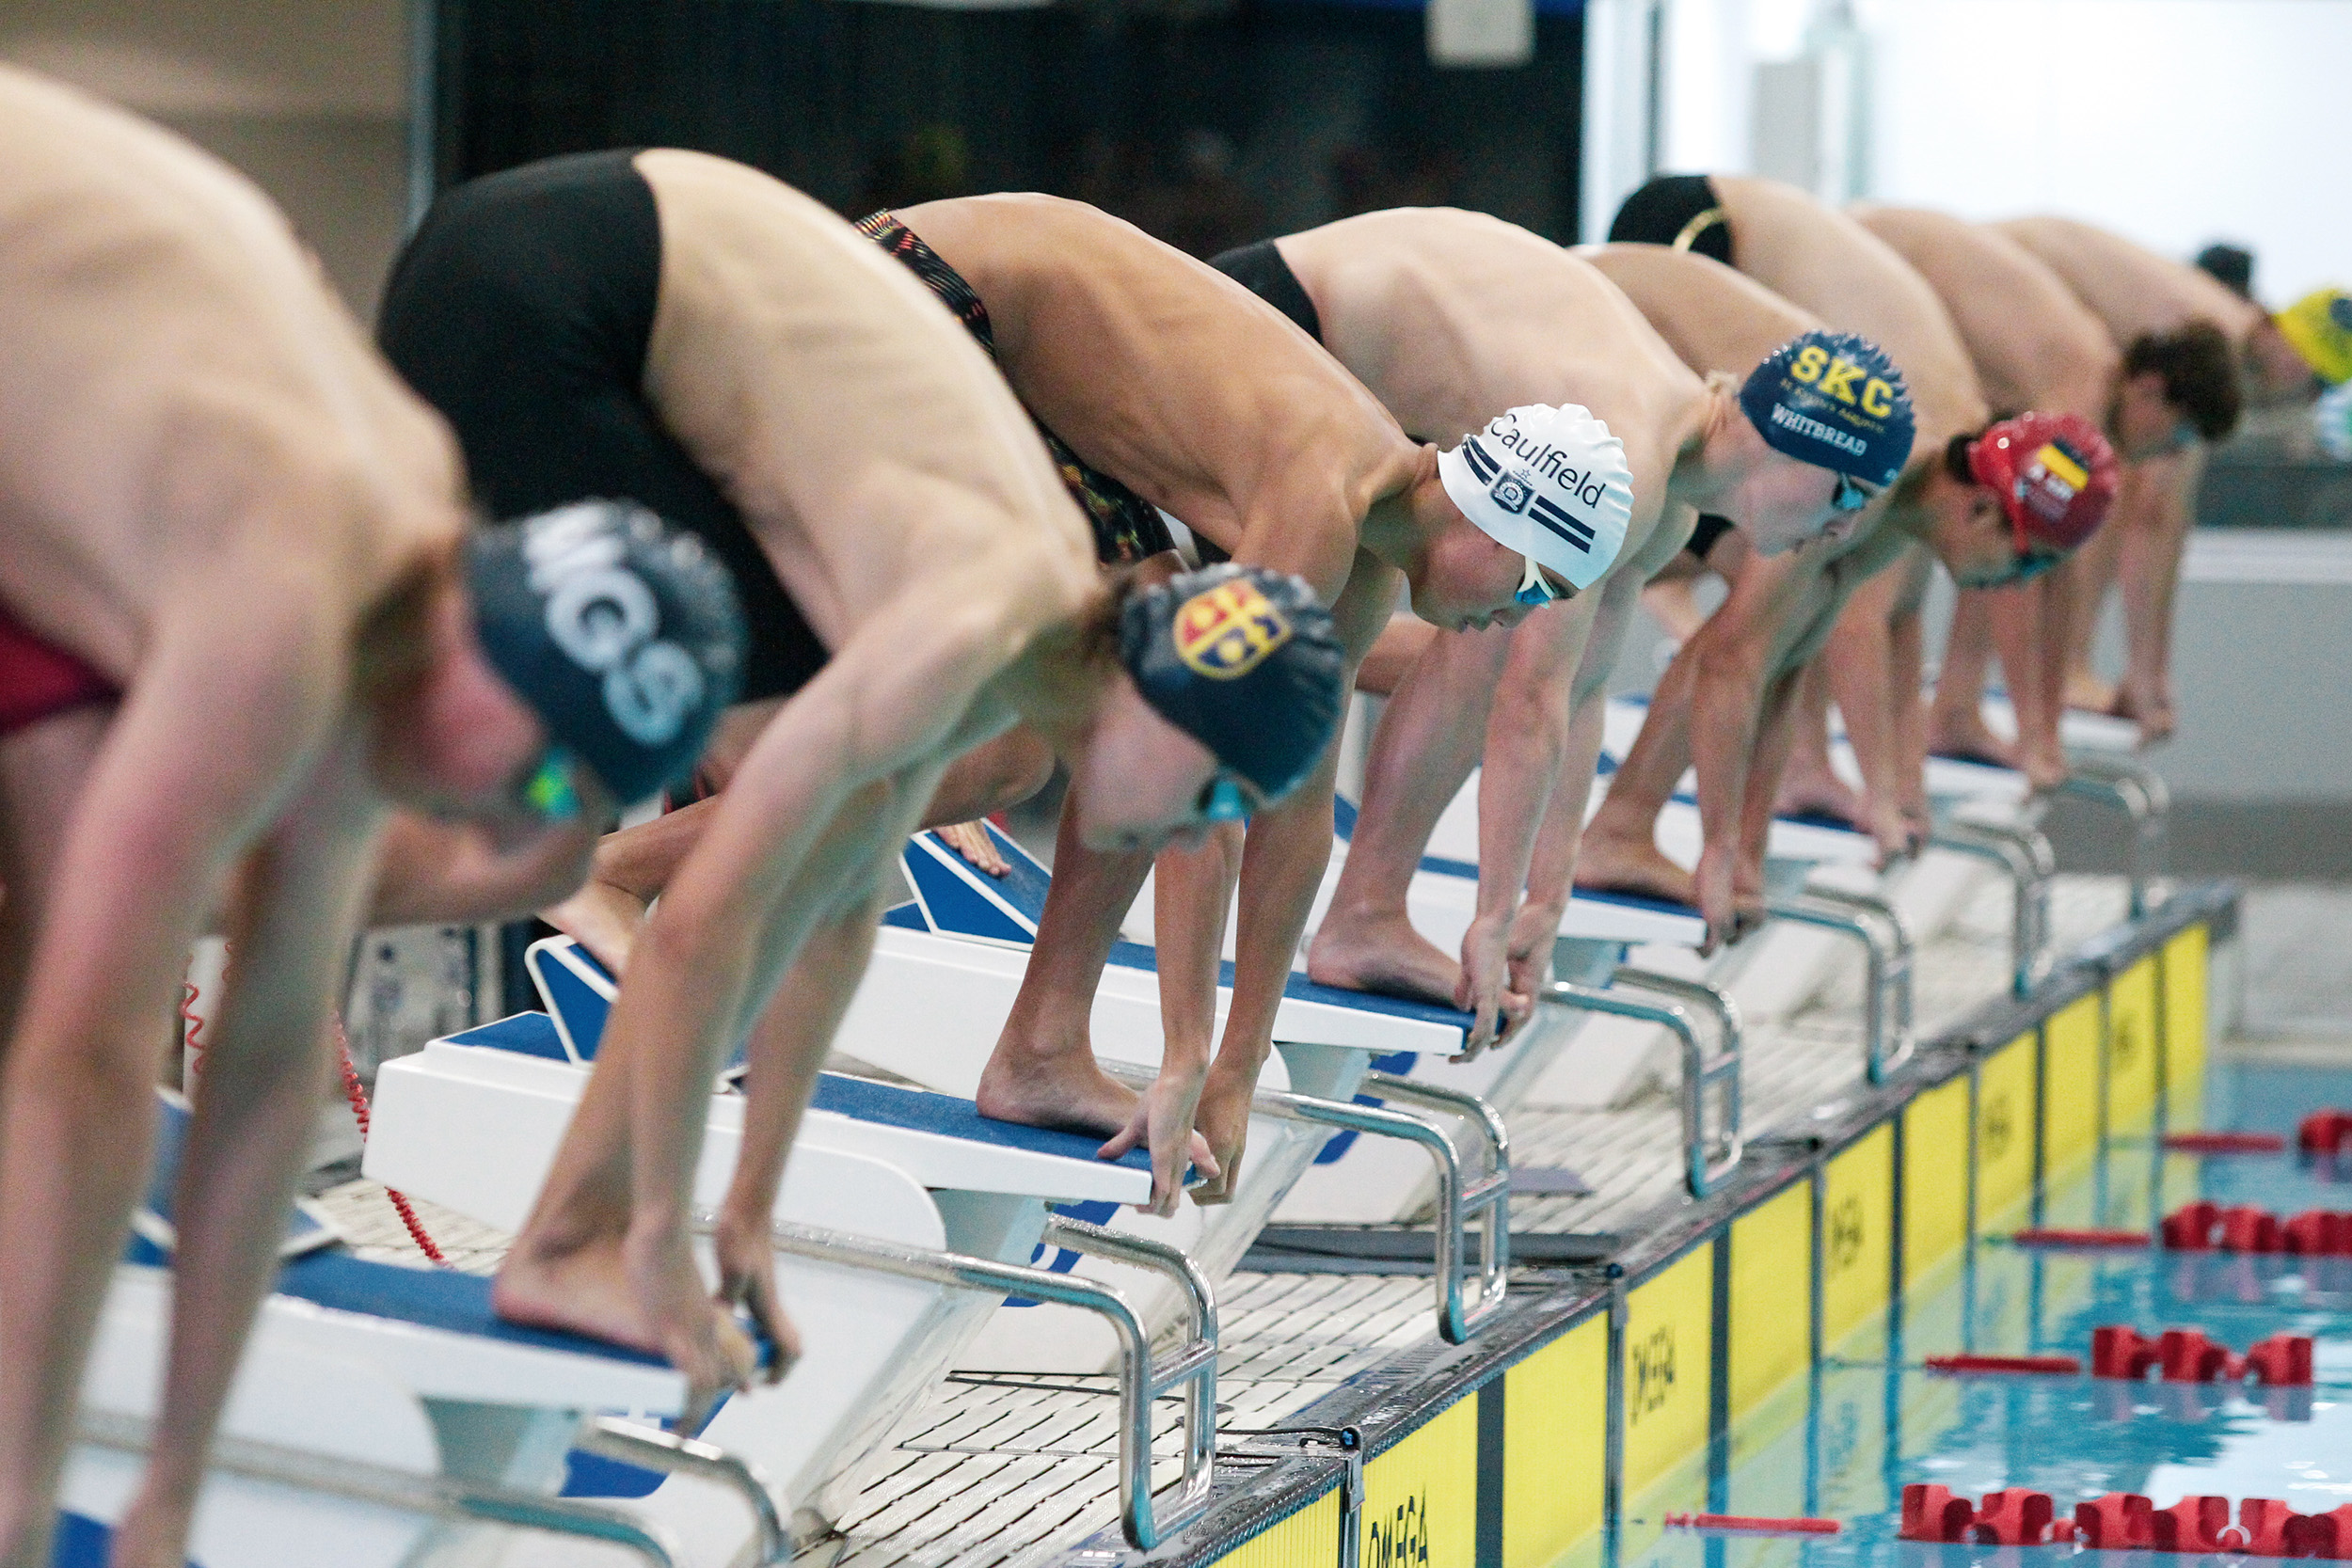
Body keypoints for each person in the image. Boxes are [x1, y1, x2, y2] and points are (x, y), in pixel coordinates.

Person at [376, 152, 1359, 1410]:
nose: (1199, 831)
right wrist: (666, 1238)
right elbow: (706, 930)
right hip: (553, 292)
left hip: (615, 280)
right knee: (595, 839)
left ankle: (366, 909)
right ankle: (571, 1222)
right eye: (1216, 797)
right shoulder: (977, 615)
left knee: (775, 837)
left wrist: (749, 1210)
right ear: (1168, 705)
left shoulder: (1027, 650)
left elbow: (841, 913)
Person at [0, 72, 743, 1568]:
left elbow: (266, 1076)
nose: (500, 814)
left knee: (72, 900)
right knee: (73, 989)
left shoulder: (409, 584)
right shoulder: (286, 611)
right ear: (483, 654)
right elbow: (91, 1066)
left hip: (71, 420)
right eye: (536, 780)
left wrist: (172, 1492)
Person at [837, 192, 1589, 1210]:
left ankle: (1043, 1046)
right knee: (1035, 745)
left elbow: (1294, 811)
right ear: (1493, 525)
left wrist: (1239, 1064)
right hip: (922, 288)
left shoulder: (1366, 557)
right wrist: (1184, 1053)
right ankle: (652, 874)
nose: (1520, 618)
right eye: (1537, 586)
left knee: (1093, 700)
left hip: (998, 340)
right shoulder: (1325, 496)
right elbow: (1199, 775)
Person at [1211, 209, 1879, 1038]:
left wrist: (1543, 901)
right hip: (1271, 316)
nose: (1848, 525)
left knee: (1464, 636)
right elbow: (1530, 700)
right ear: (1789, 446)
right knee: (1285, 646)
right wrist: (1493, 916)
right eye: (1848, 492)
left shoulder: (1665, 495)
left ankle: (1365, 914)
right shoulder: (1631, 458)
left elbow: (1578, 690)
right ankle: (1355, 914)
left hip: (1339, 357)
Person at [1579, 176, 2103, 939]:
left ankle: (1623, 826)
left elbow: (1785, 665)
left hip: (1652, 333)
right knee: (1529, 643)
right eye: (2026, 563)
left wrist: (1748, 855)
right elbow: (1732, 664)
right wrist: (1722, 852)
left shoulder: (1897, 500)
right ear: (1984, 508)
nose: (2015, 585)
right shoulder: (1859, 472)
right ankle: (1618, 826)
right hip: (1597, 302)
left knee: (1766, 624)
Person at [1852, 207, 2196, 785]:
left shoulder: (2077, 411)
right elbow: (2023, 559)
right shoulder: (2078, 394)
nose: (2166, 456)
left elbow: (2046, 561)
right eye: (2177, 438)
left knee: (1954, 549)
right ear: (2152, 393)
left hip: (1907, 273)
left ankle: (1955, 708)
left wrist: (2048, 722)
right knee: (1874, 566)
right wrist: (2038, 734)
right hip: (1870, 262)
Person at [1994, 216, 2292, 740]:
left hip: (2013, 260)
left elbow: (2157, 516)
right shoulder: (2211, 339)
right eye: (2318, 379)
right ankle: (2057, 673)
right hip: (2009, 266)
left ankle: (2044, 676)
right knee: (2051, 500)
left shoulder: (2205, 330)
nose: (2307, 395)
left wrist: (2148, 670)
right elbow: (2153, 511)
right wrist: (2146, 675)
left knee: (2058, 493)